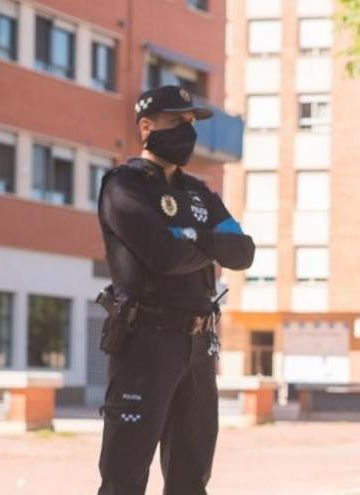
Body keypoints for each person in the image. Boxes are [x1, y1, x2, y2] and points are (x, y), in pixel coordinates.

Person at [95, 85, 254, 494]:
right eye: (174, 121)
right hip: (145, 342)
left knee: (192, 476)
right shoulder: (124, 187)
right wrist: (206, 241)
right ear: (146, 126)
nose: (186, 130)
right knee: (124, 476)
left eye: (189, 122)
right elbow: (163, 256)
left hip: (199, 347)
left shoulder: (199, 193)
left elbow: (243, 251)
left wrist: (189, 237)